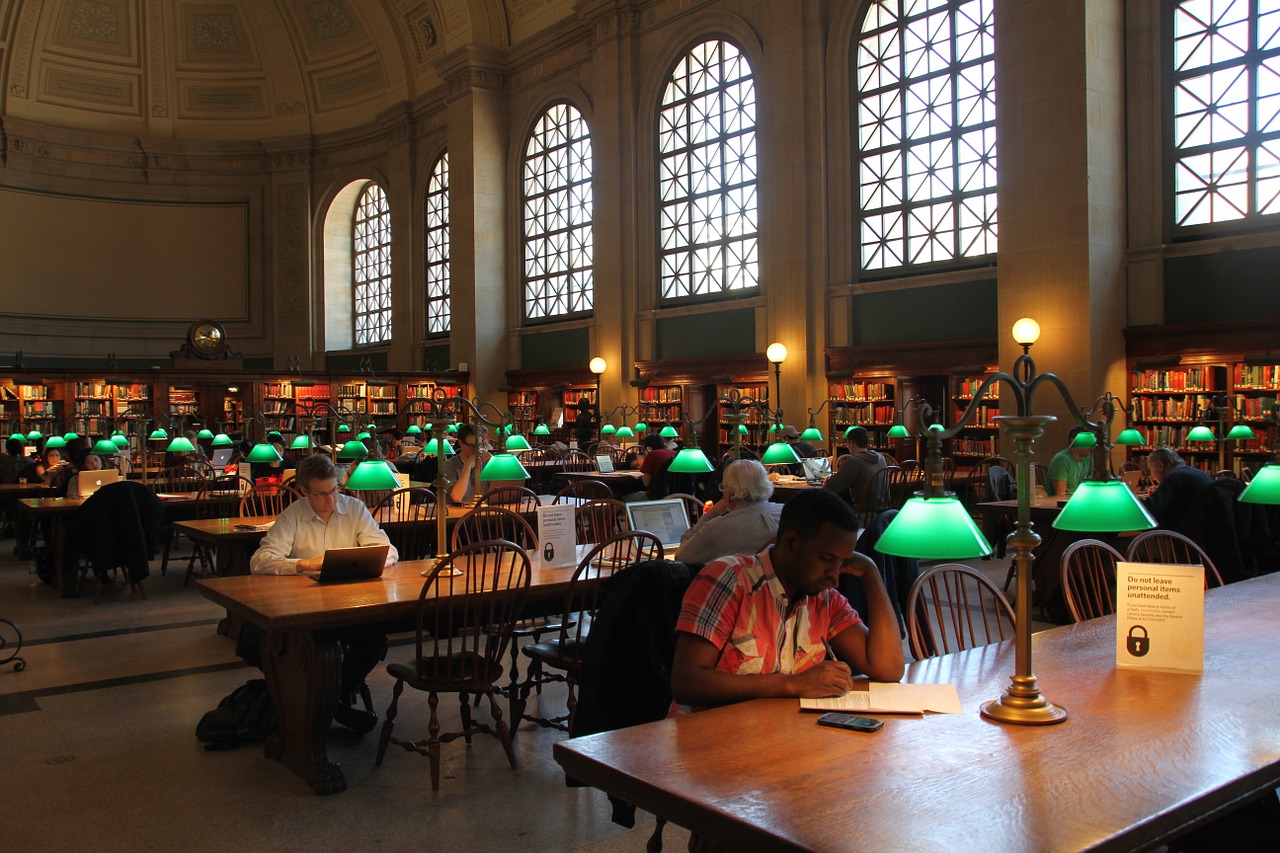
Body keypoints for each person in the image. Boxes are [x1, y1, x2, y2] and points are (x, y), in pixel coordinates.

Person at [670, 488, 903, 714]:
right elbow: (687, 682)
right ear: (792, 543)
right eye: (827, 559)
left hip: (774, 736)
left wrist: (871, 573)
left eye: (842, 563)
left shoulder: (824, 599)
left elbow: (888, 668)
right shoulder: (730, 579)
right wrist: (791, 684)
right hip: (706, 739)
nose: (835, 577)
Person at [248, 453, 399, 732]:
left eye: (334, 490)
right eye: (321, 494)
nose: (331, 500)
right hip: (305, 605)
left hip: (349, 600)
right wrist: (304, 564)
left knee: (375, 641)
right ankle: (336, 703)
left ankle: (331, 699)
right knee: (317, 646)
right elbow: (260, 561)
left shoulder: (353, 508)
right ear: (304, 491)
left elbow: (389, 550)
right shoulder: (292, 516)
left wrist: (372, 558)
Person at [674, 459, 783, 565]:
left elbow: (681, 556)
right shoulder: (787, 513)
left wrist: (710, 514)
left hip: (735, 582)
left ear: (732, 493)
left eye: (723, 488)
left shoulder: (717, 528)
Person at [1142, 446, 1212, 529]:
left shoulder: (1174, 478)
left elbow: (1152, 509)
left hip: (1183, 535)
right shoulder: (1201, 473)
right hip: (1205, 530)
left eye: (1150, 469)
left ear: (1160, 466)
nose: (1151, 475)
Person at [823, 426, 886, 501]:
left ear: (852, 443)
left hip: (863, 509)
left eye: (847, 443)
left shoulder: (854, 462)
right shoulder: (882, 457)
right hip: (884, 507)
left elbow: (831, 486)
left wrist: (827, 480)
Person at [443, 422, 489, 504]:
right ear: (460, 443)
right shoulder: (449, 465)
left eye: (479, 445)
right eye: (472, 446)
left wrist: (495, 464)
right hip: (459, 514)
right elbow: (457, 497)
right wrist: (468, 465)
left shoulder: (487, 463)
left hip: (485, 511)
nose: (477, 450)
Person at [1047, 426, 1093, 496]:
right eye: (1087, 441)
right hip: (1064, 505)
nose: (1091, 445)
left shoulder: (1088, 459)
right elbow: (1060, 495)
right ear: (1073, 441)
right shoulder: (1061, 460)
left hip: (1082, 502)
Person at [639, 433, 676, 500]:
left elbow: (646, 483)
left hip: (656, 498)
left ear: (648, 448)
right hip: (675, 496)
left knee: (621, 497)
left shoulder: (652, 455)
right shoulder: (674, 453)